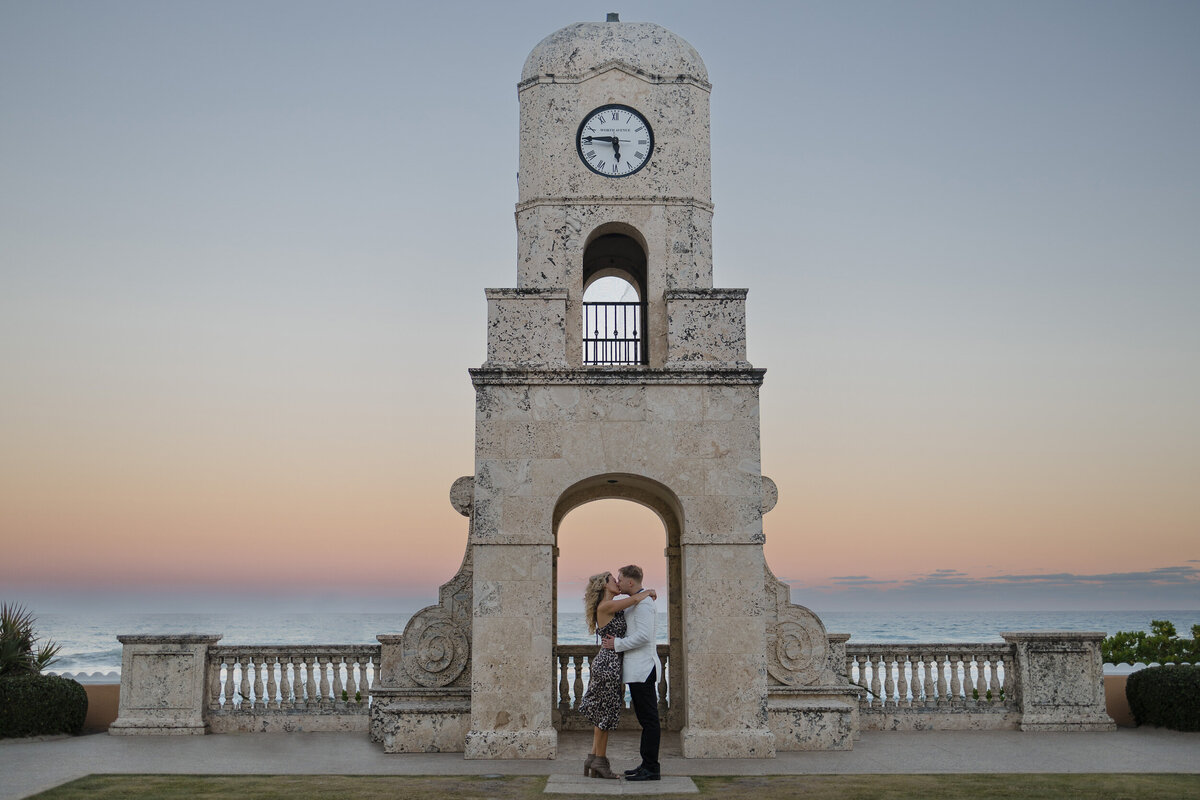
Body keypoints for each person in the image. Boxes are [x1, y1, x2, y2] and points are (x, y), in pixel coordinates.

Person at [577, 571, 657, 780]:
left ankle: (593, 758)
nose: (617, 582)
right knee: (606, 713)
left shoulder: (613, 605)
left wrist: (644, 594)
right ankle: (600, 762)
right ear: (604, 585)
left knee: (603, 711)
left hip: (611, 662)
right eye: (613, 579)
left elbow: (632, 604)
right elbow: (634, 598)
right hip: (609, 663)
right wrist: (647, 591)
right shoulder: (606, 606)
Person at [601, 564, 662, 781]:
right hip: (637, 669)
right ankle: (646, 763)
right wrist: (649, 591)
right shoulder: (636, 602)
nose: (617, 582)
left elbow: (644, 637)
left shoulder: (644, 605)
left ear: (630, 582)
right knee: (645, 720)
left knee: (650, 720)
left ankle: (652, 768)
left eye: (620, 578)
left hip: (644, 667)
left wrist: (617, 644)